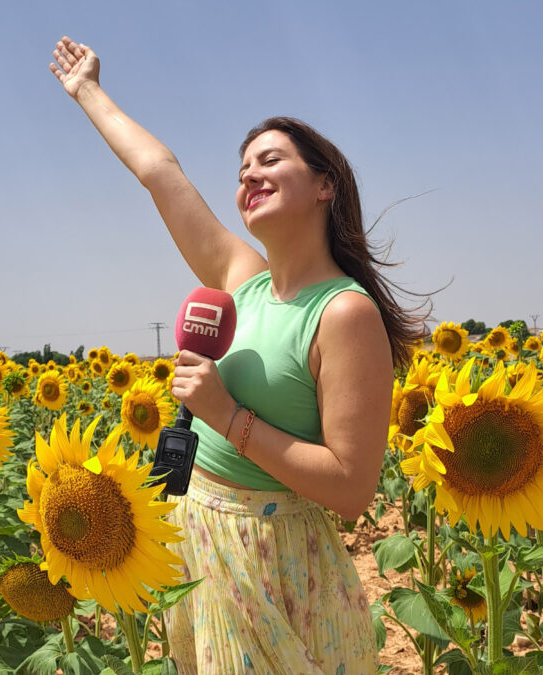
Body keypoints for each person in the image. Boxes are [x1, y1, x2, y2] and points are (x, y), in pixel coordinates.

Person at [50, 36, 424, 675]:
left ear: (324, 185)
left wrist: (225, 417)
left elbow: (352, 487)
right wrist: (87, 90)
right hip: (198, 540)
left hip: (272, 559)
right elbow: (160, 174)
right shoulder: (241, 279)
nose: (248, 175)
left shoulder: (343, 312)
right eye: (242, 169)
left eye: (269, 160)